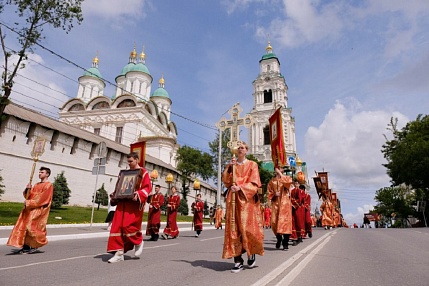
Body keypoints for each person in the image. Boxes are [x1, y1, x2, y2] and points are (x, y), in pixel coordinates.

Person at [222, 142, 264, 273]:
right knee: (234, 229)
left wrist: (240, 187)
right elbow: (226, 181)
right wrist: (229, 168)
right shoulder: (232, 165)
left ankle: (251, 253)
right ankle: (238, 260)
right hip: (233, 200)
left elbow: (255, 184)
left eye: (242, 147)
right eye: (238, 147)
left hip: (246, 201)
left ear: (246, 150)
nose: (240, 149)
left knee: (247, 229)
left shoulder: (252, 165)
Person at [107, 152, 151, 263]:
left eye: (131, 161)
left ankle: (139, 241)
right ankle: (119, 253)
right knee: (117, 227)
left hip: (133, 205)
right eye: (128, 161)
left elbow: (147, 188)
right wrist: (115, 194)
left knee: (128, 226)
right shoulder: (124, 173)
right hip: (122, 203)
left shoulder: (143, 173)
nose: (129, 163)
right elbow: (120, 186)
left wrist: (139, 194)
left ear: (137, 160)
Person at [8, 167, 53, 254]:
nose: (40, 173)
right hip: (29, 209)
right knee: (24, 227)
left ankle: (33, 245)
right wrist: (28, 189)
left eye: (42, 172)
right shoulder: (36, 185)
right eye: (39, 172)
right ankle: (26, 246)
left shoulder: (48, 185)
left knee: (32, 228)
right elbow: (29, 196)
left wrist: (29, 202)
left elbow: (43, 199)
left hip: (38, 210)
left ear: (47, 174)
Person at [267, 167, 293, 251]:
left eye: (280, 168)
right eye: (277, 168)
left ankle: (285, 243)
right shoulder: (272, 181)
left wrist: (281, 174)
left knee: (285, 222)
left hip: (284, 204)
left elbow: (288, 183)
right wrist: (274, 194)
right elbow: (269, 192)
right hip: (276, 204)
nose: (278, 169)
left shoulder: (286, 177)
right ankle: (279, 238)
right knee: (274, 222)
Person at [290, 181, 306, 246]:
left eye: (297, 183)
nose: (296, 184)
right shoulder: (292, 191)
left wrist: (293, 203)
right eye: (295, 183)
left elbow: (300, 199)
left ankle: (299, 236)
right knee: (293, 222)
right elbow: (290, 198)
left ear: (299, 184)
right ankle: (294, 237)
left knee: (298, 222)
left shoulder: (299, 191)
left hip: (298, 208)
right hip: (292, 208)